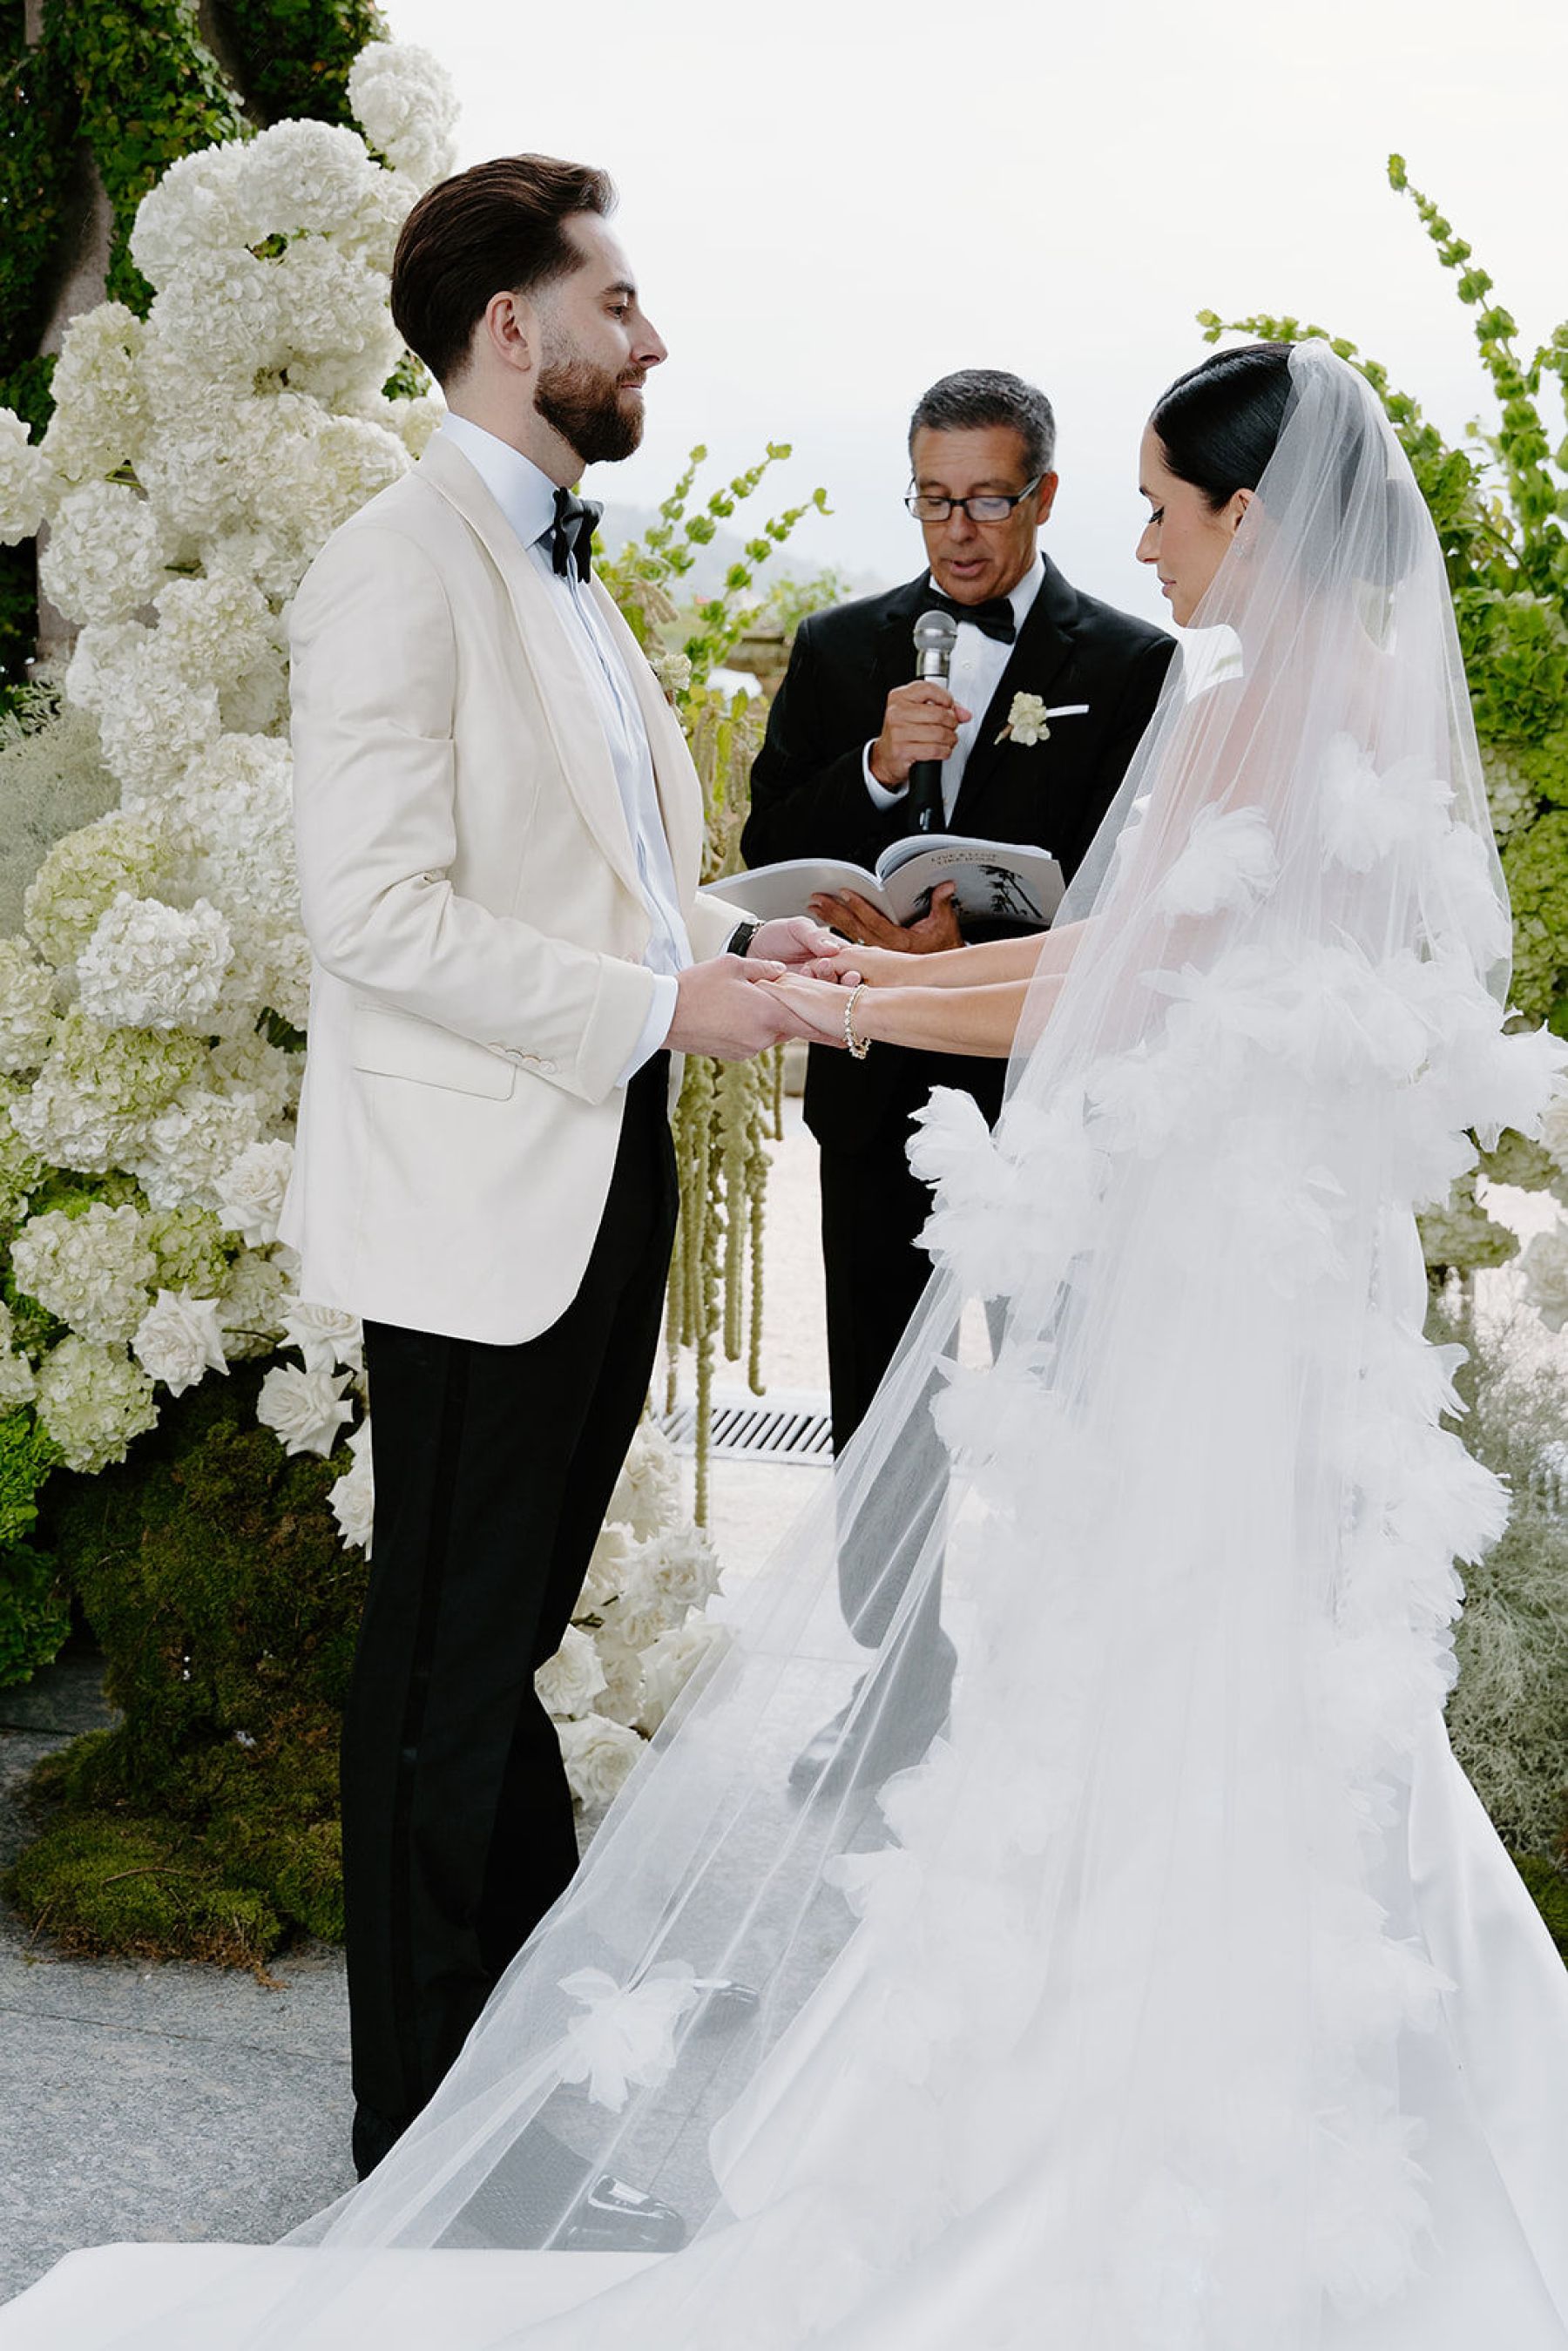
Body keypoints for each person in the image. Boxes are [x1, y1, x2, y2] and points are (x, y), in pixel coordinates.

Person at [9, 343, 1568, 2351]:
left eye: (1166, 511)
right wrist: (837, 961)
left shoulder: (1270, 710)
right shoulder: (1334, 711)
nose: (1146, 544)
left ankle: (1154, 2129)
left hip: (1219, 1292)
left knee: (1195, 1671)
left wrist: (841, 1004)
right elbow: (1123, 956)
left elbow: (1118, 979)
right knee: (1234, 1687)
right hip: (1254, 1284)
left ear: (1248, 523)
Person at [274, 155, 835, 2215]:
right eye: (616, 298)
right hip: (477, 1203)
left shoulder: (568, 577)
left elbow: (589, 882)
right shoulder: (393, 568)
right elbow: (376, 917)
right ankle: (421, 2150)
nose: (650, 334)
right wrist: (657, 1004)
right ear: (511, 325)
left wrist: (741, 939)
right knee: (439, 1668)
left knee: (499, 1651)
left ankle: (518, 2100)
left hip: (593, 1179)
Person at [741, 370, 1174, 1787]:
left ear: (1044, 494)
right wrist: (872, 772)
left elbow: (1140, 895)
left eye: (988, 499)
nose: (959, 531)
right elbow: (766, 836)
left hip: (1048, 1107)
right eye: (934, 499)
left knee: (1051, 1387)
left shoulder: (1132, 663)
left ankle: (1055, 1690)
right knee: (883, 1398)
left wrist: (971, 940)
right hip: (876, 1098)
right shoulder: (836, 644)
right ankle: (894, 1691)